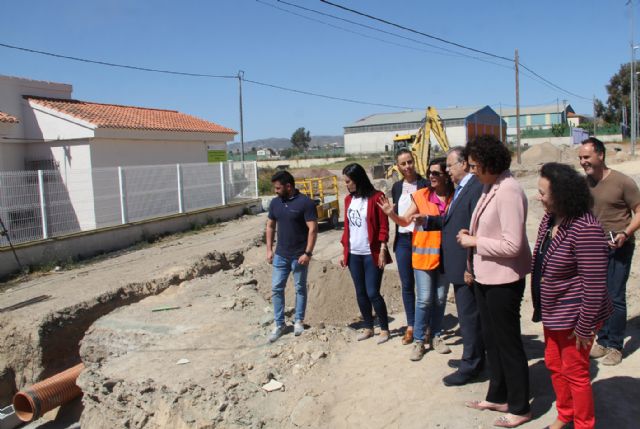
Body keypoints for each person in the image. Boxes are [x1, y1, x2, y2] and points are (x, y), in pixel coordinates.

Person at [457, 135, 532, 428]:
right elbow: (490, 229)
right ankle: (498, 395)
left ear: (490, 163)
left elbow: (513, 245)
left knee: (508, 344)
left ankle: (520, 406)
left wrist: (475, 240)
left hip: (504, 281)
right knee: (492, 340)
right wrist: (473, 236)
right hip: (486, 277)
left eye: (475, 165)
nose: (472, 170)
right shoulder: (491, 186)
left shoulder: (509, 190)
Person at [532, 162, 612, 429]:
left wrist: (585, 326)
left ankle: (583, 423)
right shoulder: (550, 219)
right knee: (554, 365)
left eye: (543, 193)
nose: (538, 197)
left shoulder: (585, 228)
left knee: (575, 372)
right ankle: (565, 414)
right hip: (554, 312)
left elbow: (595, 284)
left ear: (562, 194)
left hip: (576, 317)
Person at [421, 147, 485, 386]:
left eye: (450, 165)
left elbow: (474, 229)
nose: (447, 170)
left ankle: (471, 366)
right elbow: (452, 221)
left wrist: (470, 266)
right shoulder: (461, 190)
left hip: (465, 266)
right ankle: (473, 358)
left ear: (464, 165)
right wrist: (428, 220)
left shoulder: (474, 188)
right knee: (468, 316)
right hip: (457, 265)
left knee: (469, 318)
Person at [379, 157, 454, 360]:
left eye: (436, 173)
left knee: (439, 299)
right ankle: (420, 340)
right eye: (430, 172)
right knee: (424, 300)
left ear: (447, 176)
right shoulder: (420, 195)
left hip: (445, 258)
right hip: (423, 256)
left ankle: (436, 336)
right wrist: (391, 214)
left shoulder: (454, 197)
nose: (431, 176)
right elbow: (404, 221)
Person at [579, 137, 640, 366]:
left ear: (600, 155)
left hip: (619, 248)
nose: (583, 162)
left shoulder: (622, 182)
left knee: (615, 296)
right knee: (598, 296)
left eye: (586, 157)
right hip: (593, 249)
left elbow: (638, 211)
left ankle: (615, 345)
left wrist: (625, 233)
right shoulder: (584, 185)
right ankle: (602, 340)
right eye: (581, 158)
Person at [339, 163, 392, 344]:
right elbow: (347, 228)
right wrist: (343, 251)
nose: (346, 185)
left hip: (372, 253)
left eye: (348, 181)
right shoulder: (348, 200)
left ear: (358, 179)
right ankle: (368, 327)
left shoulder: (377, 197)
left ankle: (384, 328)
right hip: (354, 253)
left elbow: (384, 226)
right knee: (360, 292)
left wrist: (383, 250)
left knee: (372, 292)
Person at [265, 170, 318, 343]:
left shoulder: (306, 203)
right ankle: (280, 324)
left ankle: (298, 321)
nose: (276, 191)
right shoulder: (275, 203)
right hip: (281, 255)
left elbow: (313, 229)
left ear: (289, 186)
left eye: (278, 188)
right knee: (276, 288)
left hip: (299, 256)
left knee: (300, 288)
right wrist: (269, 249)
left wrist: (308, 253)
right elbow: (270, 226)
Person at [390, 148, 429, 345]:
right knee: (407, 285)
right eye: (403, 163)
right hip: (403, 241)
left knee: (424, 286)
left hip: (421, 240)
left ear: (415, 161)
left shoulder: (425, 184)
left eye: (410, 162)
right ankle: (412, 325)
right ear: (397, 166)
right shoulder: (396, 187)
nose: (407, 167)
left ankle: (425, 326)